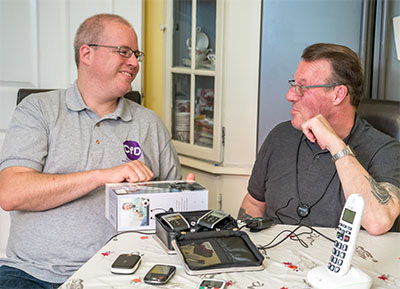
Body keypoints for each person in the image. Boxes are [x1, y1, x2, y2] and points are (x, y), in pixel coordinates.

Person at [0, 13, 188, 288]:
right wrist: (103, 176)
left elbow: (172, 214)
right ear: (86, 53)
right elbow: (11, 193)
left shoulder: (150, 124)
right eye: (124, 51)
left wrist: (185, 198)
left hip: (123, 274)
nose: (134, 63)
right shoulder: (38, 110)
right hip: (33, 273)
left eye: (136, 54)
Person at [238, 43, 400, 236]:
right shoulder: (280, 136)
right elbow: (254, 203)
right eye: (293, 85)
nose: (289, 95)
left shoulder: (385, 150)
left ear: (338, 94)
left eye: (302, 87)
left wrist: (334, 143)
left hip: (339, 265)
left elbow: (378, 222)